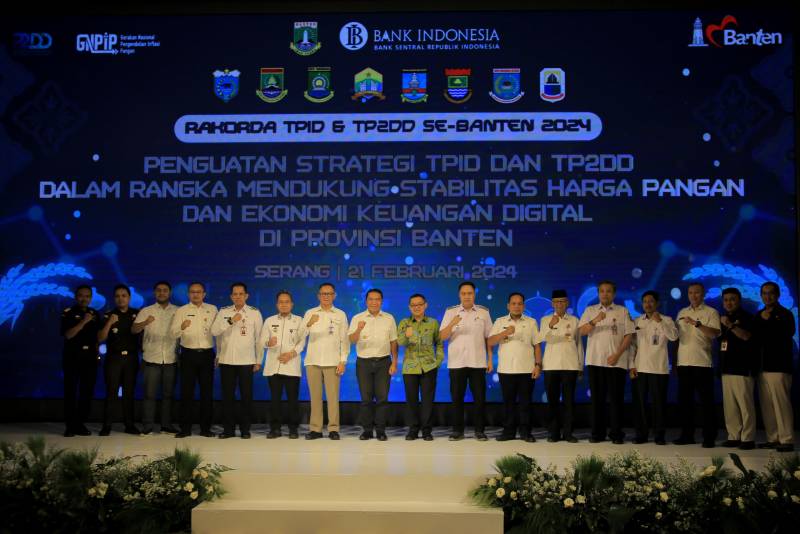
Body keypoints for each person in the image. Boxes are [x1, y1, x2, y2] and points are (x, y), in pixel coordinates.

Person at [579, 280, 634, 444]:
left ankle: (616, 434)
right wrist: (595, 320)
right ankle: (597, 433)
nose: (605, 294)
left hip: (616, 362)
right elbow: (581, 331)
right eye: (602, 291)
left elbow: (629, 335)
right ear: (598, 293)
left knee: (616, 400)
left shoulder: (622, 310)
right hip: (595, 361)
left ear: (614, 294)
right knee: (597, 399)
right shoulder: (590, 310)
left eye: (608, 291)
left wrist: (617, 355)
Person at [295, 283, 349, 440]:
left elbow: (344, 340)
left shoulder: (340, 314)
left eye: (329, 293)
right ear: (318, 296)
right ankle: (316, 429)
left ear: (334, 296)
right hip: (313, 361)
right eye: (323, 294)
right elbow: (299, 335)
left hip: (333, 362)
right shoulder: (310, 313)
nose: (326, 296)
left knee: (333, 397)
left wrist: (343, 361)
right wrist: (309, 323)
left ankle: (333, 429)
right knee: (315, 397)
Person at [440, 281, 492, 441]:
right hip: (457, 363)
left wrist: (490, 359)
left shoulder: (483, 312)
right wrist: (452, 323)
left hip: (478, 362)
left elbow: (489, 338)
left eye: (470, 293)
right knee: (457, 398)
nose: (467, 296)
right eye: (464, 293)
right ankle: (457, 431)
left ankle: (479, 431)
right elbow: (442, 336)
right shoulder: (451, 312)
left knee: (479, 399)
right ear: (459, 295)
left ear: (474, 294)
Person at [211, 282, 262, 439]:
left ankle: (245, 430)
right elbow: (215, 332)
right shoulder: (224, 311)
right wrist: (230, 321)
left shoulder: (254, 313)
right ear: (231, 296)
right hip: (227, 360)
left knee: (246, 396)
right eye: (235, 294)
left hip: (247, 361)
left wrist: (258, 360)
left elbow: (259, 339)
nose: (238, 296)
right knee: (227, 397)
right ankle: (228, 429)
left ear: (246, 296)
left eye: (241, 294)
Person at [488, 292, 541, 442]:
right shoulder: (500, 321)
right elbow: (490, 342)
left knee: (526, 403)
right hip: (506, 370)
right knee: (508, 403)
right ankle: (508, 432)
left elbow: (537, 346)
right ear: (508, 306)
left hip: (527, 370)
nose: (516, 306)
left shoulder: (531, 322)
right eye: (513, 303)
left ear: (523, 306)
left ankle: (526, 432)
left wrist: (538, 365)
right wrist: (505, 332)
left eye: (519, 303)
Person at [674, 282, 721, 448]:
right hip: (683, 363)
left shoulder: (711, 312)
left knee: (706, 402)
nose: (693, 295)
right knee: (685, 402)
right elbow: (676, 337)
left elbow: (715, 334)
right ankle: (687, 435)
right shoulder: (682, 312)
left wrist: (698, 324)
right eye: (690, 292)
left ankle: (709, 437)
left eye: (697, 292)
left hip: (702, 363)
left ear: (703, 294)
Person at [349, 288, 398, 441]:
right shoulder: (357, 318)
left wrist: (394, 362)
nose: (374, 302)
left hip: (384, 362)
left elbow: (393, 341)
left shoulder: (389, 318)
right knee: (366, 399)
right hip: (363, 362)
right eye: (371, 299)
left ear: (381, 301)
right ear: (366, 301)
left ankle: (381, 430)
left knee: (382, 398)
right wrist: (358, 329)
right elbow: (351, 340)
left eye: (377, 299)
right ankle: (367, 430)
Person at [630, 290, 678, 445]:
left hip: (659, 369)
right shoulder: (637, 321)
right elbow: (632, 345)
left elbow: (674, 337)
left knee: (659, 404)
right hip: (640, 368)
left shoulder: (667, 319)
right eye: (645, 302)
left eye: (651, 301)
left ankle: (659, 435)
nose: (648, 304)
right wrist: (631, 365)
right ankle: (641, 435)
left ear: (657, 303)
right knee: (640, 404)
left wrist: (660, 322)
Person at [171, 282, 218, 438]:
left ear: (204, 294)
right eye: (192, 292)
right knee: (186, 393)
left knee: (207, 393)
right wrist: (182, 327)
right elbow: (173, 333)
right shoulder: (181, 311)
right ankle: (185, 429)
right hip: (188, 355)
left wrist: (218, 355)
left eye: (198, 292)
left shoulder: (212, 309)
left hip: (207, 355)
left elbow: (218, 333)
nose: (195, 294)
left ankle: (206, 429)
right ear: (188, 294)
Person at [753, 281, 795, 452]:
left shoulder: (785, 314)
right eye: (764, 293)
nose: (767, 296)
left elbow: (786, 334)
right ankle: (773, 438)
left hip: (779, 366)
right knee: (767, 405)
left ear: (777, 295)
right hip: (762, 367)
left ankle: (787, 440)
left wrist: (769, 320)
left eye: (770, 293)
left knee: (781, 404)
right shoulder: (758, 315)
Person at [132, 281, 179, 435]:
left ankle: (166, 425)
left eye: (165, 290)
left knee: (168, 395)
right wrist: (145, 322)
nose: (162, 293)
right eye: (159, 290)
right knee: (149, 395)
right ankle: (147, 426)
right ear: (154, 293)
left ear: (169, 293)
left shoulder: (178, 311)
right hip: (151, 359)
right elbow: (134, 330)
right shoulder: (146, 310)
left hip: (171, 359)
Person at [539, 289, 583, 443]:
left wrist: (580, 366)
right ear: (552, 304)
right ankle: (553, 433)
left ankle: (568, 433)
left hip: (570, 365)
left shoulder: (575, 320)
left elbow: (579, 344)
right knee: (552, 401)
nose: (559, 304)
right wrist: (551, 325)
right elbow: (542, 338)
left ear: (567, 303)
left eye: (562, 301)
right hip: (551, 366)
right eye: (556, 302)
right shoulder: (545, 319)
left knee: (569, 401)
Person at [397, 293, 443, 441]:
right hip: (410, 367)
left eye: (419, 304)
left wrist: (438, 361)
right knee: (411, 400)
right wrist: (407, 335)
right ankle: (413, 429)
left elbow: (439, 342)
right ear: (409, 307)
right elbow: (400, 342)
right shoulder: (404, 322)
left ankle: (427, 430)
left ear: (425, 305)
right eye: (413, 305)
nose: (416, 307)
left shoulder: (433, 323)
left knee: (427, 400)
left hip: (429, 367)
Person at [98, 284, 141, 436]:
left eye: (124, 295)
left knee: (129, 392)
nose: (120, 298)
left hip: (131, 358)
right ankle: (107, 425)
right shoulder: (108, 315)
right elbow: (100, 338)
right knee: (111, 392)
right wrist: (110, 322)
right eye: (117, 296)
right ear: (114, 298)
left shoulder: (137, 314)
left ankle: (129, 425)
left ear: (129, 298)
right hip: (114, 358)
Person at [260, 290, 303, 439]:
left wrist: (291, 354)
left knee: (292, 400)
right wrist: (268, 342)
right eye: (281, 302)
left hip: (291, 365)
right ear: (277, 304)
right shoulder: (269, 321)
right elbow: (262, 341)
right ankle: (275, 429)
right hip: (274, 365)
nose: (284, 304)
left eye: (287, 302)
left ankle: (293, 429)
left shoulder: (299, 321)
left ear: (292, 304)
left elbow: (302, 342)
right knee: (275, 400)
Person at [717, 287, 756, 449]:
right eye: (726, 300)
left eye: (732, 299)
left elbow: (746, 336)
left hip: (742, 367)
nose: (729, 303)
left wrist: (730, 325)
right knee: (730, 406)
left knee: (745, 405)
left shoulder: (747, 317)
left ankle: (748, 438)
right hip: (726, 368)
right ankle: (733, 436)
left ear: (739, 300)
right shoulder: (723, 318)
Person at [60, 285, 101, 436]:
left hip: (90, 358)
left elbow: (96, 338)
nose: (84, 299)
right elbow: (68, 335)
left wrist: (97, 354)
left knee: (87, 392)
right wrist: (83, 322)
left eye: (87, 296)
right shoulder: (68, 313)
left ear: (91, 298)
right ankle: (70, 425)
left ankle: (80, 423)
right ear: (76, 296)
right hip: (72, 357)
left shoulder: (95, 314)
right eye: (81, 295)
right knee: (70, 392)